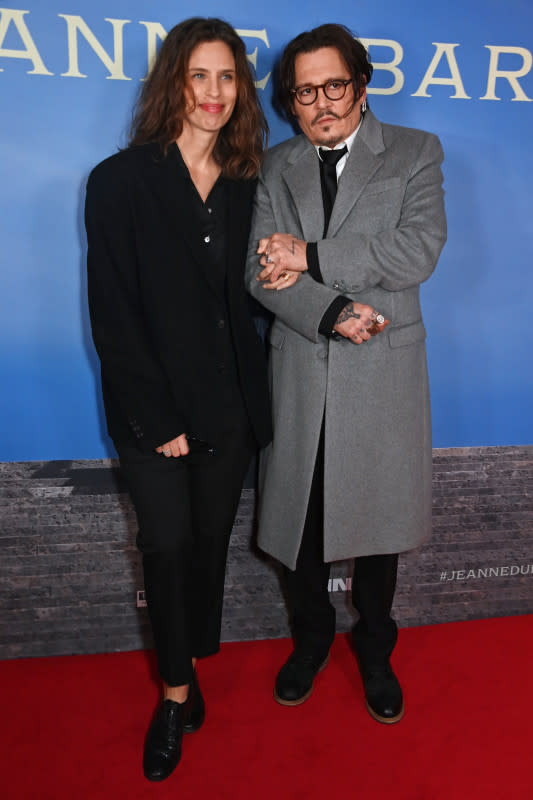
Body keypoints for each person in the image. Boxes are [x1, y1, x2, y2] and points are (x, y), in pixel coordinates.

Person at [85, 17, 271, 781]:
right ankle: (172, 697)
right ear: (174, 83)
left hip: (229, 407)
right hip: (152, 413)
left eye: (227, 76)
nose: (214, 93)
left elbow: (258, 294)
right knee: (163, 549)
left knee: (204, 548)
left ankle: (188, 662)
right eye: (199, 76)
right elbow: (113, 310)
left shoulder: (251, 183)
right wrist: (156, 421)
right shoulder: (119, 179)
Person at [246, 23, 446, 724]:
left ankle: (374, 647)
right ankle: (310, 641)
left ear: (359, 86)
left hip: (382, 371)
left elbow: (416, 250)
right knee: (301, 527)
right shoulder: (274, 166)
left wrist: (311, 255)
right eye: (304, 92)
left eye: (334, 85)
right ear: (290, 103)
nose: (321, 102)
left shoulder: (415, 153)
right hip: (303, 365)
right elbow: (258, 272)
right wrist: (330, 311)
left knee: (378, 527)